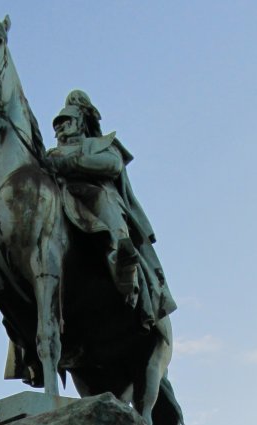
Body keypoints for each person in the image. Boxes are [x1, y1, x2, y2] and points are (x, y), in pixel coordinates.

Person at [46, 90, 176, 331]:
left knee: (105, 202)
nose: (61, 128)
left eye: (67, 122)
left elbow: (112, 165)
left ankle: (123, 266)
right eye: (58, 124)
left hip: (93, 193)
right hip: (60, 196)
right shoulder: (50, 154)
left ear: (80, 123)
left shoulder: (100, 144)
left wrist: (70, 163)